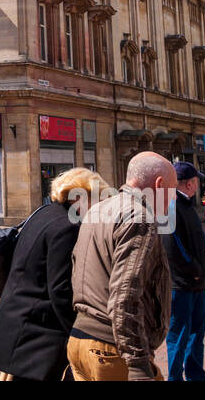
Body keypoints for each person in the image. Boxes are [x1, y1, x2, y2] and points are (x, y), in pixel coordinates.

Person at [0, 168, 109, 381]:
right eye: (97, 200)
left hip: (19, 327)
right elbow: (60, 289)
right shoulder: (66, 227)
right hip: (38, 339)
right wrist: (79, 333)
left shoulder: (44, 214)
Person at [67, 150, 175, 381]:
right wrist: (137, 363)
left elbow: (76, 273)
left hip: (80, 341)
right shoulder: (139, 218)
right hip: (111, 348)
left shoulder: (97, 210)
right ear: (159, 184)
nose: (173, 199)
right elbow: (125, 295)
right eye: (172, 191)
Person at [163, 161, 205, 381]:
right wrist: (193, 269)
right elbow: (172, 244)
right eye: (196, 181)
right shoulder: (172, 205)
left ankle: (195, 375)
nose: (198, 185)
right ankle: (175, 377)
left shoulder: (185, 205)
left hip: (196, 284)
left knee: (195, 335)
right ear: (190, 183)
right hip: (182, 285)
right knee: (179, 336)